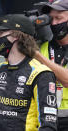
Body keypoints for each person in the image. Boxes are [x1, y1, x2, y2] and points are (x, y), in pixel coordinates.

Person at [34, 0, 68, 130]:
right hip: (46, 117)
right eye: (51, 19)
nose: (54, 23)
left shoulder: (38, 53)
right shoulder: (42, 48)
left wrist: (38, 56)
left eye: (59, 18)